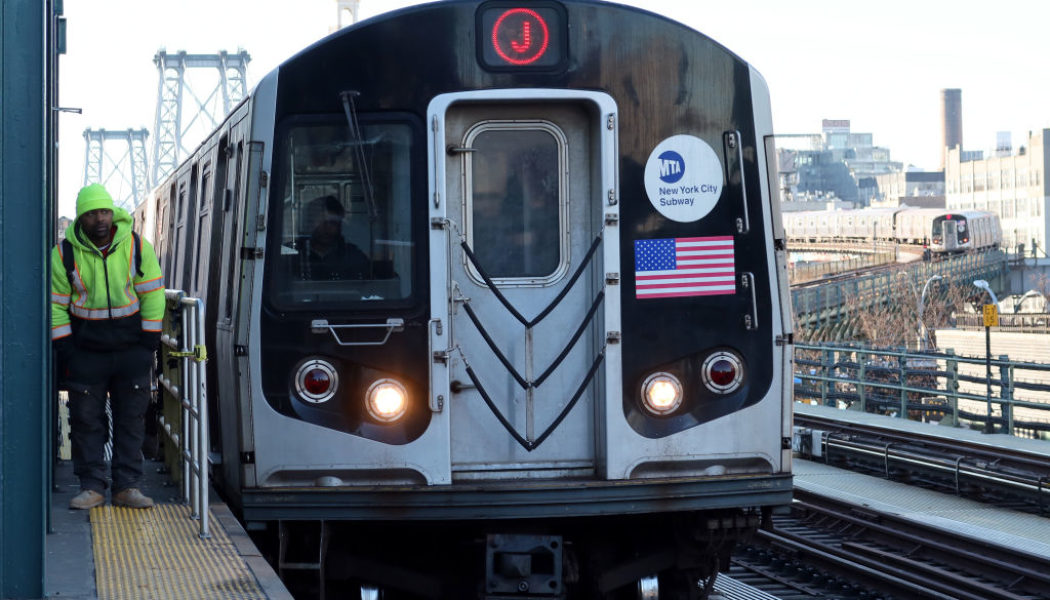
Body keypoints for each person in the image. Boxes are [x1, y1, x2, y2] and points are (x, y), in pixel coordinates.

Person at [51, 183, 165, 510]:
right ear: (81, 219)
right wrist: (66, 347)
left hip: (132, 350)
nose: (99, 219)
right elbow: (56, 305)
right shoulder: (63, 255)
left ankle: (127, 487)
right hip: (86, 352)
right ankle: (92, 487)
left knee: (132, 420)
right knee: (86, 421)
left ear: (111, 213)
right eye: (91, 214)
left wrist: (149, 341)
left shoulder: (137, 247)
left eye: (104, 211)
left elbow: (153, 294)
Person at [301, 195, 370, 280]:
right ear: (309, 223)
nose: (327, 227)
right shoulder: (292, 255)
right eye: (321, 221)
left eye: (332, 222)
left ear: (340, 225)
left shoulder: (355, 257)